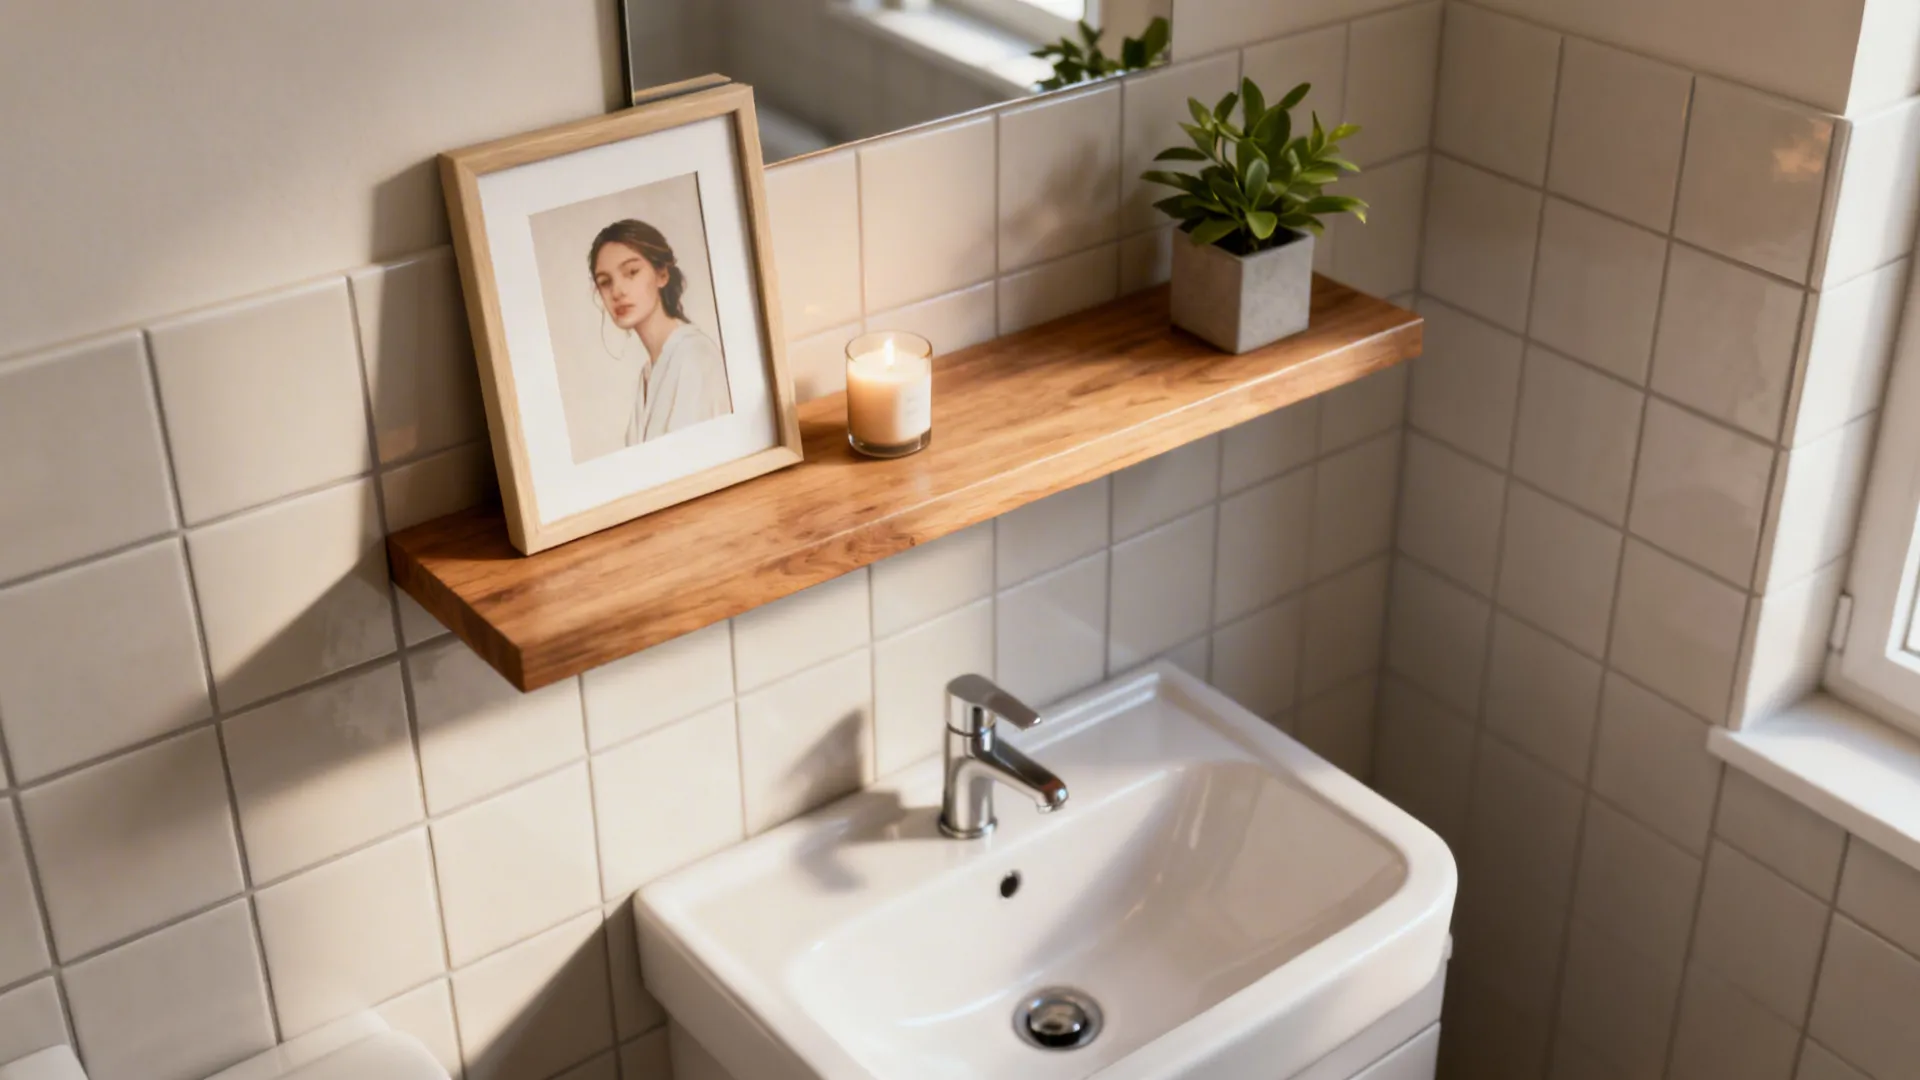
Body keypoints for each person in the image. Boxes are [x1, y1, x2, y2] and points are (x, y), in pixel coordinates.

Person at [589, 219, 730, 444]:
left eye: (631, 272)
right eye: (605, 282)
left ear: (662, 274)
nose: (617, 291)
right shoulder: (646, 375)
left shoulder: (695, 356)